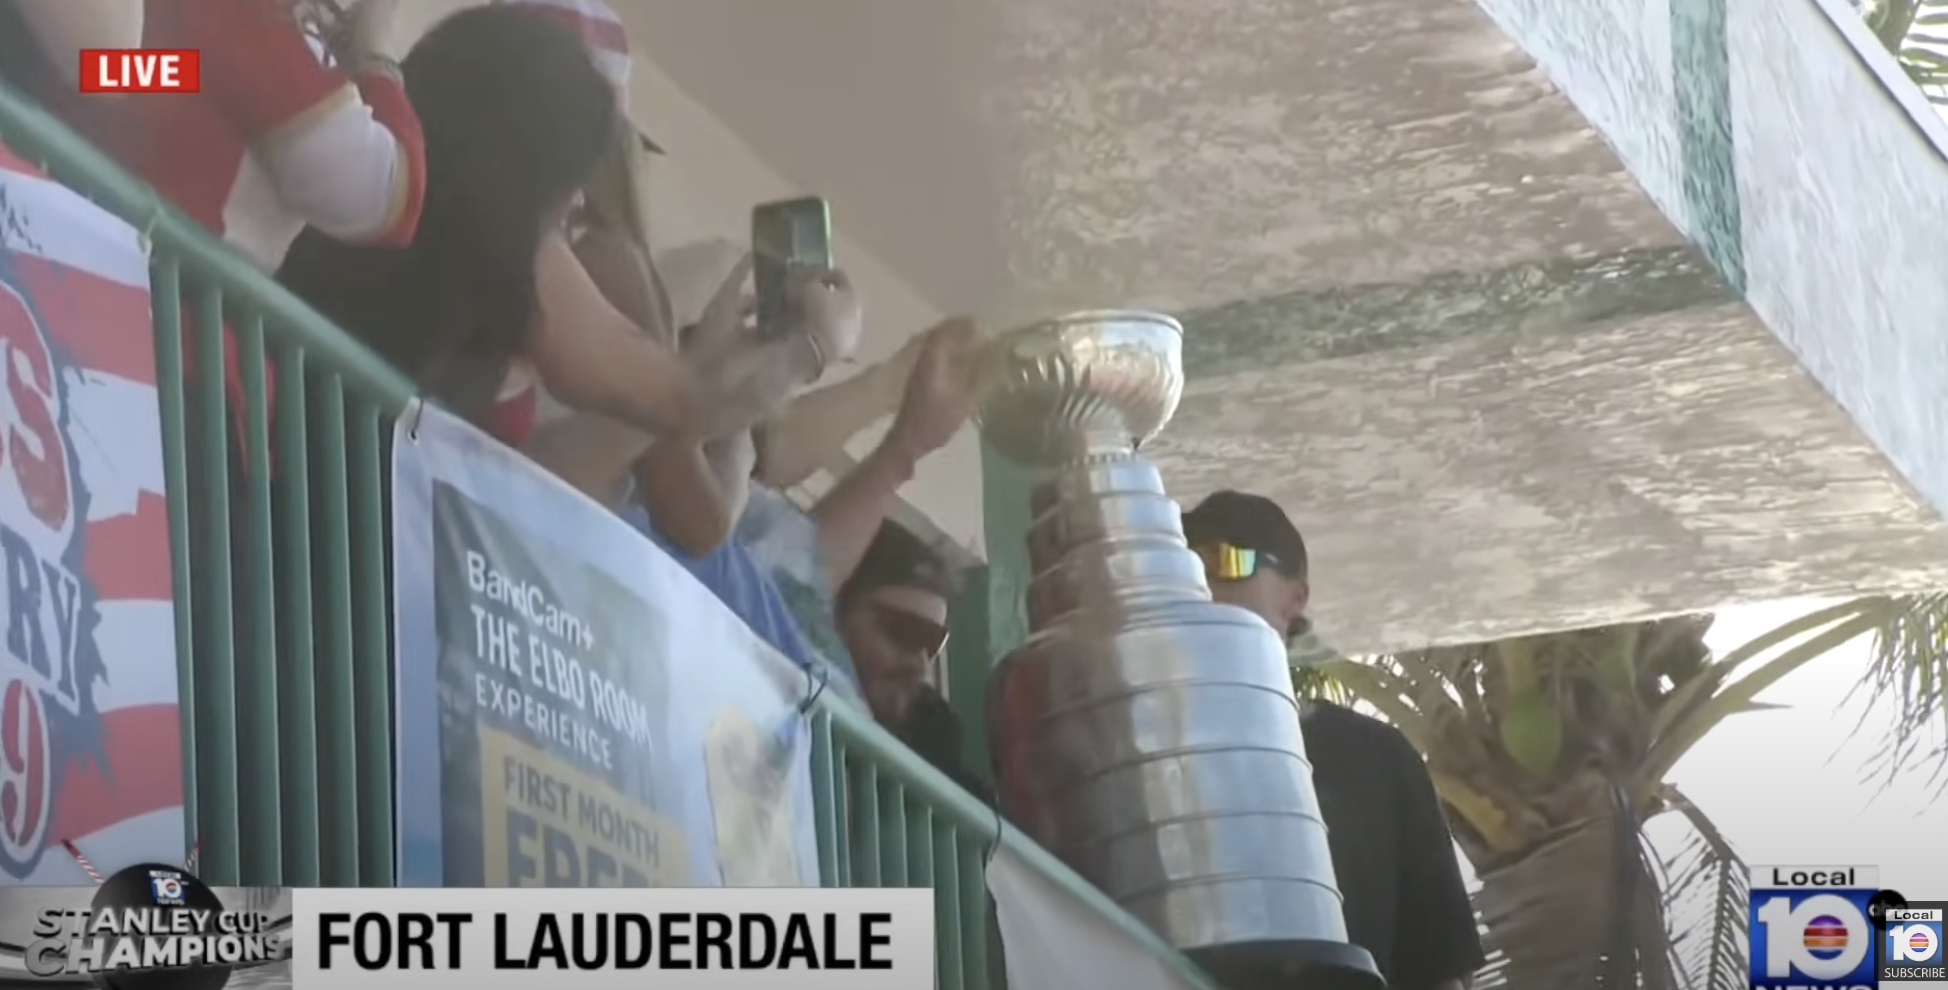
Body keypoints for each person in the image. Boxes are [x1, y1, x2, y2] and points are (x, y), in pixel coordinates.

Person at [277, 5, 795, 451]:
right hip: (316, 533)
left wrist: (370, 60)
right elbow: (687, 402)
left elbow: (200, 68)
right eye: (576, 173)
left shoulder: (342, 141)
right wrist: (813, 345)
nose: (578, 198)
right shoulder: (515, 257)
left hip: (233, 474)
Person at [1180, 490, 1484, 990]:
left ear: (1294, 598)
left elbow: (1439, 963)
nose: (1203, 583)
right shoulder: (1134, 746)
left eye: (1226, 561)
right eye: (1187, 564)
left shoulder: (1376, 756)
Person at [834, 522, 987, 798]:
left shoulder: (936, 738)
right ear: (837, 615)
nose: (921, 664)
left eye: (933, 645)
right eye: (905, 631)